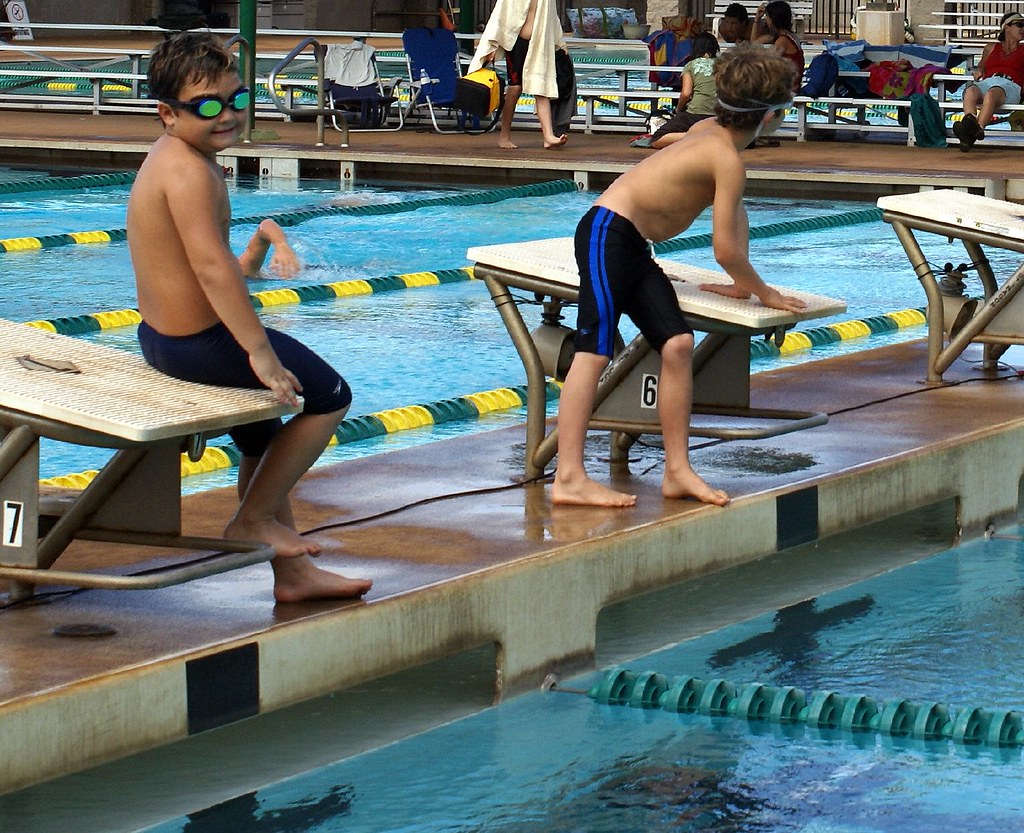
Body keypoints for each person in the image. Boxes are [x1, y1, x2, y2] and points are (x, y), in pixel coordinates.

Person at [126, 31, 373, 603]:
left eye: (236, 99)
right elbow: (213, 270)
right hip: (200, 343)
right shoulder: (187, 171)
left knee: (263, 439)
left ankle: (291, 575)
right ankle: (253, 519)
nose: (226, 115)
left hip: (164, 338)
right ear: (166, 113)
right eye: (207, 106)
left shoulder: (176, 157)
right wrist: (259, 351)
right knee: (330, 396)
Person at [551, 43, 807, 509]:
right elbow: (725, 248)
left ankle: (677, 471)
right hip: (606, 232)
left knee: (678, 344)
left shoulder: (713, 134)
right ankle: (568, 476)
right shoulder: (725, 156)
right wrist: (763, 292)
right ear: (772, 117)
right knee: (593, 351)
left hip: (630, 244)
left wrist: (741, 284)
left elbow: (720, 198)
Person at [468, 0, 568, 149]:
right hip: (516, 44)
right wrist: (492, 46)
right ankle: (504, 135)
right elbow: (500, 16)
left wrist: (560, 42)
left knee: (541, 88)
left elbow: (552, 18)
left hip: (538, 43)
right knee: (515, 89)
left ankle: (548, 137)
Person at [954, 10, 1024, 151]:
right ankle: (970, 122)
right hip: (990, 80)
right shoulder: (991, 48)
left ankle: (974, 130)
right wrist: (979, 70)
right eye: (1019, 25)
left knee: (991, 94)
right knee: (971, 90)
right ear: (1007, 27)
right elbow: (982, 65)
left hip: (1010, 85)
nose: (1023, 29)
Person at [649, 33, 720, 149]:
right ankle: (713, 137)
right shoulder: (725, 65)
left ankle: (696, 136)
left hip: (696, 113)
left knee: (657, 139)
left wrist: (678, 110)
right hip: (720, 114)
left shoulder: (690, 65)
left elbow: (686, 93)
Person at [754, 1, 805, 93]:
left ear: (773, 19)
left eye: (767, 17)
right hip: (788, 84)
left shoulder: (783, 41)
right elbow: (753, 44)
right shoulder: (789, 36)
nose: (766, 20)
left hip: (787, 88)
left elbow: (767, 62)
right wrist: (757, 19)